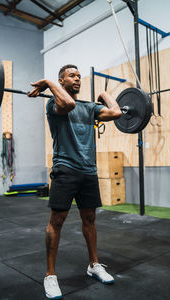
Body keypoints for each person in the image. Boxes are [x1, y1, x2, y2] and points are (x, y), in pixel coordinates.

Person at [28, 65, 122, 299]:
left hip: (88, 170)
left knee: (90, 218)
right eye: (72, 75)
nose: (78, 78)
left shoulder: (90, 108)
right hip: (65, 169)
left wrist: (102, 95)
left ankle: (94, 264)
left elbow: (117, 113)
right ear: (62, 80)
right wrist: (50, 84)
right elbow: (67, 104)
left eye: (79, 76)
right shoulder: (54, 103)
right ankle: (50, 275)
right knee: (57, 221)